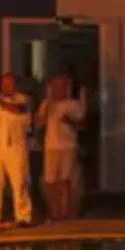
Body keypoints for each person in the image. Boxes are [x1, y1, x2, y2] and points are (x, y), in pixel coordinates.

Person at [0, 73, 34, 228]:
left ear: (15, 85)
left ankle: (23, 216)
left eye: (9, 84)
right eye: (4, 84)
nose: (6, 87)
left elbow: (18, 110)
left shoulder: (23, 100)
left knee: (19, 182)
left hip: (16, 146)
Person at [36, 76, 85, 220]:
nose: (57, 90)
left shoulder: (73, 105)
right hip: (51, 146)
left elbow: (82, 125)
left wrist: (69, 120)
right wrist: (45, 111)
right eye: (55, 87)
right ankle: (53, 211)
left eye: (61, 87)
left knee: (65, 179)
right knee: (50, 181)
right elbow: (39, 124)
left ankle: (65, 211)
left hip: (68, 146)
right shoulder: (46, 104)